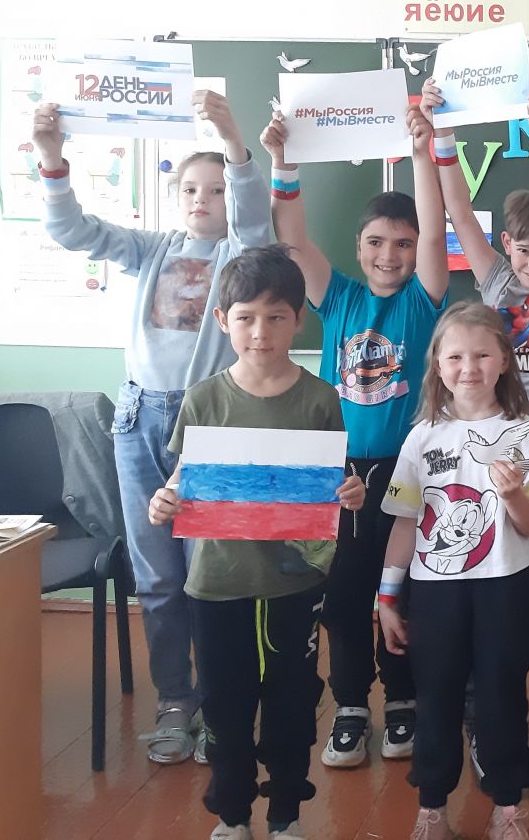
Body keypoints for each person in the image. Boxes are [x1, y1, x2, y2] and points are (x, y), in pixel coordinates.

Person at [31, 90, 271, 764]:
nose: (203, 199)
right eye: (191, 189)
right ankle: (175, 700)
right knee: (157, 575)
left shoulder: (241, 256)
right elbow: (73, 231)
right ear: (174, 196)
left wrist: (235, 143)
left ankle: (221, 702)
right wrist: (51, 160)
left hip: (210, 425)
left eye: (216, 189)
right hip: (138, 422)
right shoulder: (151, 249)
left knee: (210, 573)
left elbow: (257, 226)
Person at [147, 245, 365, 840]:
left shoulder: (320, 398)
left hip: (294, 582)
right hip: (218, 583)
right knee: (224, 702)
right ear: (223, 320)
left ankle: (286, 814)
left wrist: (351, 493)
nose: (260, 332)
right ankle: (234, 815)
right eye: (245, 317)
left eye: (275, 317)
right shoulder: (204, 398)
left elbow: (332, 478)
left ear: (299, 320)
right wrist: (165, 499)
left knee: (292, 701)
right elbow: (183, 477)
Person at [260, 104, 449, 767]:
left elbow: (436, 237)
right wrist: (283, 163)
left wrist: (422, 153)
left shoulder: (423, 299)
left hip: (406, 469)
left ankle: (402, 701)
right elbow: (291, 241)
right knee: (342, 598)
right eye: (376, 242)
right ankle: (349, 705)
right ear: (359, 245)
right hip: (336, 470)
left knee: (402, 588)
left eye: (402, 243)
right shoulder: (337, 296)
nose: (389, 255)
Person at [427, 82, 529, 789]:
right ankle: (482, 714)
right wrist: (440, 135)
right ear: (505, 248)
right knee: (482, 582)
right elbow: (459, 210)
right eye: (525, 251)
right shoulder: (493, 282)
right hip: (486, 449)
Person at [377, 303, 529, 840]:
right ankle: (432, 809)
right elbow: (405, 522)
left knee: (503, 693)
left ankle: (508, 807)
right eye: (455, 356)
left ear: (504, 360)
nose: (469, 367)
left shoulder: (524, 433)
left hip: (505, 585)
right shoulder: (421, 436)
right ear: (438, 364)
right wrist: (387, 599)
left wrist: (513, 496)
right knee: (436, 694)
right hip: (435, 591)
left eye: (482, 355)